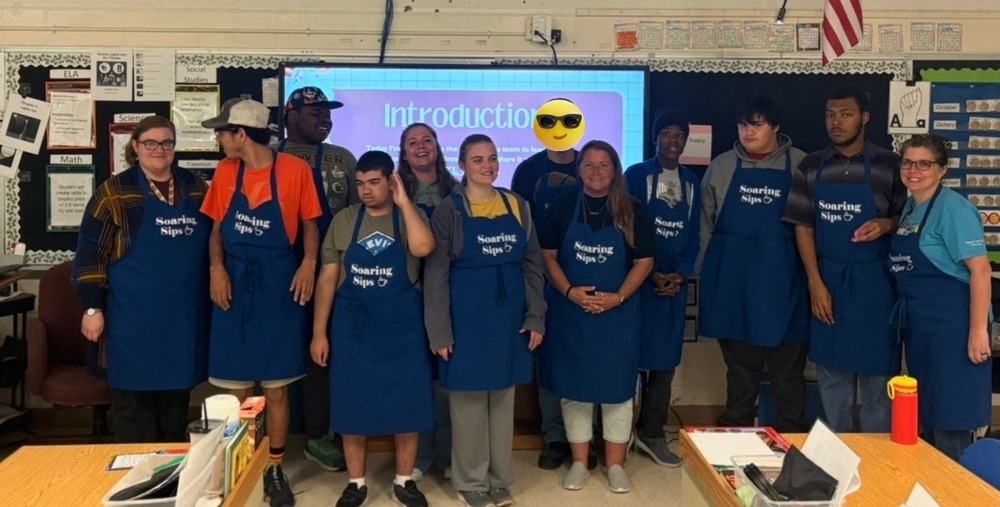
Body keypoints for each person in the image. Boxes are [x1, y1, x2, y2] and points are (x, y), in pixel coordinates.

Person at [200, 98, 321, 507]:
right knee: (237, 391)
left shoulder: (295, 171)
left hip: (278, 282)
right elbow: (216, 230)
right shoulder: (225, 171)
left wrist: (308, 264)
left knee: (277, 390)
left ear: (241, 135)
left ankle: (273, 468)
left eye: (222, 132)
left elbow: (310, 225)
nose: (218, 139)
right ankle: (241, 467)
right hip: (235, 280)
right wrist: (217, 268)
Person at [424, 134, 546, 507]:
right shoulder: (449, 210)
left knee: (503, 401)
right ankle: (471, 482)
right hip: (466, 320)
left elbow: (532, 264)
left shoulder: (517, 204)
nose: (487, 166)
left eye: (492, 158)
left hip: (510, 321)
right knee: (468, 403)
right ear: (462, 165)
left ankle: (499, 480)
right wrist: (439, 332)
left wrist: (536, 316)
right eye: (477, 160)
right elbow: (436, 276)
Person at [73, 115, 210, 443]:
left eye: (167, 142)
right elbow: (90, 254)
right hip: (132, 321)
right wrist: (92, 308)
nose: (159, 149)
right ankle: (134, 471)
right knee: (134, 411)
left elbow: (214, 246)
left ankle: (172, 472)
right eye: (150, 143)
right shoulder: (114, 193)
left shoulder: (196, 187)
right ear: (135, 146)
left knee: (176, 406)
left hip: (183, 320)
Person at [311, 150, 435, 507]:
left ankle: (404, 481)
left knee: (407, 407)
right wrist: (319, 333)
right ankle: (356, 483)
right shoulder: (345, 220)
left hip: (403, 330)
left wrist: (404, 202)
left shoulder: (410, 216)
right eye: (360, 183)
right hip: (353, 328)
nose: (366, 190)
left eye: (375, 182)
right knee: (352, 406)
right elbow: (328, 278)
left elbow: (424, 247)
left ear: (391, 181)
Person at [782, 86, 905, 433]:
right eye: (830, 115)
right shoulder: (811, 165)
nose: (836, 122)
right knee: (832, 376)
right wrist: (815, 282)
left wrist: (886, 224)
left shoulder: (889, 164)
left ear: (864, 118)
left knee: (879, 377)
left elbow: (908, 219)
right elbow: (803, 226)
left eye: (846, 114)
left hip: (877, 284)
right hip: (829, 280)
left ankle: (877, 456)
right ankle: (839, 451)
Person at [539, 140, 654, 494]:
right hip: (571, 315)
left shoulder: (633, 209)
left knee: (617, 390)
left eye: (604, 165)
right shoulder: (562, 206)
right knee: (575, 389)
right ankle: (579, 461)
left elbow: (644, 261)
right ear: (579, 169)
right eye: (588, 164)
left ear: (615, 169)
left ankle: (616, 464)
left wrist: (617, 298)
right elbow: (547, 256)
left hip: (617, 316)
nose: (596, 171)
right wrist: (570, 292)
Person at [698, 95, 810, 433]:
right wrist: (706, 276)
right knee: (740, 373)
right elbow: (704, 225)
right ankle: (737, 433)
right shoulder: (721, 166)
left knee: (787, 374)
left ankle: (792, 437)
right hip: (733, 284)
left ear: (775, 126)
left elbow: (812, 227)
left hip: (786, 286)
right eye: (743, 124)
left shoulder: (801, 164)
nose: (748, 131)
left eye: (757, 124)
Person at [890, 134, 993, 461]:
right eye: (908, 162)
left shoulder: (954, 209)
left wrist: (977, 331)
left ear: (942, 169)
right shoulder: (911, 207)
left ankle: (960, 485)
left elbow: (981, 271)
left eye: (924, 164)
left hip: (954, 326)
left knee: (952, 418)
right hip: (922, 326)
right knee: (928, 416)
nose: (913, 170)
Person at [278, 86, 358, 472]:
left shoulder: (343, 158)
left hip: (332, 273)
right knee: (279, 353)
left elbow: (359, 218)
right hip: (280, 271)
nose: (325, 119)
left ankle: (320, 434)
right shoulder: (271, 157)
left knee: (322, 352)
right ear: (292, 116)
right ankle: (272, 436)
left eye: (328, 113)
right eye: (315, 113)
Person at [624, 110, 700, 466]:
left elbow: (694, 235)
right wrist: (650, 271)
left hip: (673, 288)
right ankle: (618, 435)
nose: (673, 140)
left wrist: (680, 275)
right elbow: (626, 226)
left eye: (679, 135)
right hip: (639, 284)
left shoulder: (692, 182)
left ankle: (653, 433)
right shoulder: (636, 175)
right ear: (655, 138)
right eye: (666, 133)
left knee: (665, 365)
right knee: (629, 360)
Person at [511, 113, 580, 471]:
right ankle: (555, 437)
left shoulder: (592, 165)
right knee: (549, 359)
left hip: (587, 276)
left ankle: (585, 438)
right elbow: (517, 226)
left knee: (583, 357)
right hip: (540, 276)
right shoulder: (527, 171)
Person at [398, 122, 459, 482]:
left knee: (447, 378)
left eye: (427, 140)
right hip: (407, 295)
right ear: (404, 153)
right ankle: (418, 456)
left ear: (437, 146)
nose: (421, 146)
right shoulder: (395, 191)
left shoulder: (457, 190)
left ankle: (450, 455)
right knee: (416, 378)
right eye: (412, 142)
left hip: (449, 295)